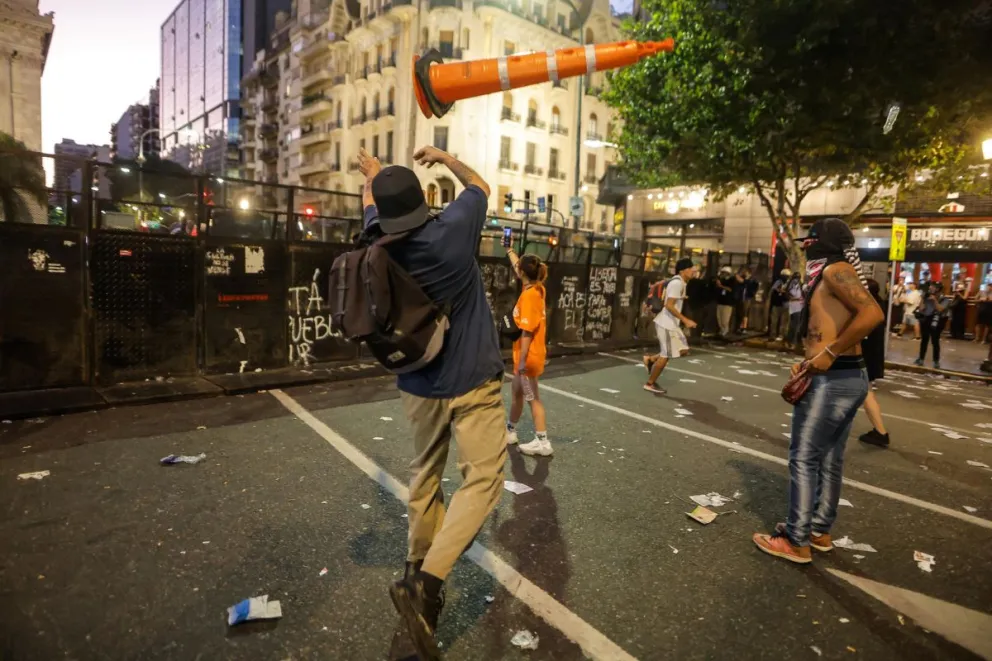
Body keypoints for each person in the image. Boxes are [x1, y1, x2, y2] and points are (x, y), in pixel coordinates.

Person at [357, 146, 505, 660]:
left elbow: (372, 205)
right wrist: (446, 158)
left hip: (417, 381)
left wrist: (374, 178)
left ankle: (413, 566)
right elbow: (480, 186)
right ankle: (427, 584)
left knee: (425, 475)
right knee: (483, 480)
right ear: (424, 202)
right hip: (471, 378)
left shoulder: (377, 239)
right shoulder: (451, 235)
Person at [753, 218, 883, 564]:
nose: (805, 248)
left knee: (804, 458)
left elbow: (872, 314)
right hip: (839, 375)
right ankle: (818, 530)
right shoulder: (830, 272)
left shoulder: (835, 270)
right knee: (828, 459)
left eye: (810, 242)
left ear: (821, 242)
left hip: (834, 378)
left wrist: (828, 353)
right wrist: (810, 360)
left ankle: (796, 540)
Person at [504, 249, 551, 457]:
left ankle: (543, 442)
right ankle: (510, 431)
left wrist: (522, 361)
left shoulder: (531, 295)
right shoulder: (536, 288)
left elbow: (527, 332)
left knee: (533, 399)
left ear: (522, 273)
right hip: (527, 356)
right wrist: (510, 250)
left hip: (528, 357)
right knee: (517, 393)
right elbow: (518, 267)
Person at [643, 258, 698, 394]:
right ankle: (650, 384)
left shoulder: (681, 283)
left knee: (683, 350)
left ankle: (650, 359)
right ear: (682, 270)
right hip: (666, 323)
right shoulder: (677, 283)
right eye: (691, 268)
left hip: (672, 324)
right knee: (666, 354)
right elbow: (669, 305)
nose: (693, 271)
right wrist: (686, 320)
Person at [858, 279, 890, 448]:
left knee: (865, 392)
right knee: (864, 391)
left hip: (864, 356)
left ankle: (880, 432)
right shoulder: (878, 306)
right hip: (870, 356)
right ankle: (880, 432)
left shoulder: (868, 309)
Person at [915, 281, 952, 370]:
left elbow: (940, 309)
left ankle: (936, 361)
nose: (931, 288)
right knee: (924, 340)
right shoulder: (926, 297)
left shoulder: (945, 299)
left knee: (935, 342)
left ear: (938, 289)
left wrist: (935, 300)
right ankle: (921, 358)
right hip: (926, 320)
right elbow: (921, 309)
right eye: (930, 286)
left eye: (933, 287)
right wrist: (923, 299)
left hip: (937, 322)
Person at [768, 269, 791, 341]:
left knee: (783, 322)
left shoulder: (790, 283)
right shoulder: (778, 282)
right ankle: (773, 335)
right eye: (783, 275)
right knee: (774, 321)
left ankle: (782, 336)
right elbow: (773, 290)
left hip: (786, 304)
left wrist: (782, 291)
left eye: (786, 276)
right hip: (777, 304)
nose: (784, 277)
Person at [715, 265, 736, 336]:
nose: (722, 274)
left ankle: (725, 331)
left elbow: (730, 289)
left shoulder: (732, 280)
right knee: (719, 318)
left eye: (724, 273)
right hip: (720, 301)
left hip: (728, 303)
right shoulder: (722, 280)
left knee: (725, 319)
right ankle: (721, 330)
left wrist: (721, 286)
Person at [786, 271, 805, 347]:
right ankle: (792, 341)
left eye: (798, 278)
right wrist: (794, 299)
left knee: (795, 325)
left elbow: (802, 296)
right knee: (794, 325)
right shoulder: (790, 285)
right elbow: (787, 295)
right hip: (793, 307)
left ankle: (792, 341)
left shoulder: (800, 285)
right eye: (795, 278)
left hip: (799, 307)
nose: (796, 280)